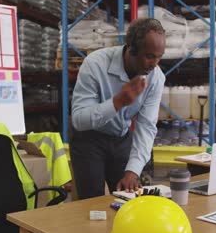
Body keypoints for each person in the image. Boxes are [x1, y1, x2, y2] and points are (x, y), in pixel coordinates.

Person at [70, 18, 166, 199]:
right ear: (131, 48)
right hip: (89, 139)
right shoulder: (95, 64)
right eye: (149, 56)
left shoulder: (156, 78)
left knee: (126, 199)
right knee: (91, 204)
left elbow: (146, 126)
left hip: (121, 139)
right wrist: (117, 102)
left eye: (159, 57)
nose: (154, 64)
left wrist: (133, 171)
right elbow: (79, 119)